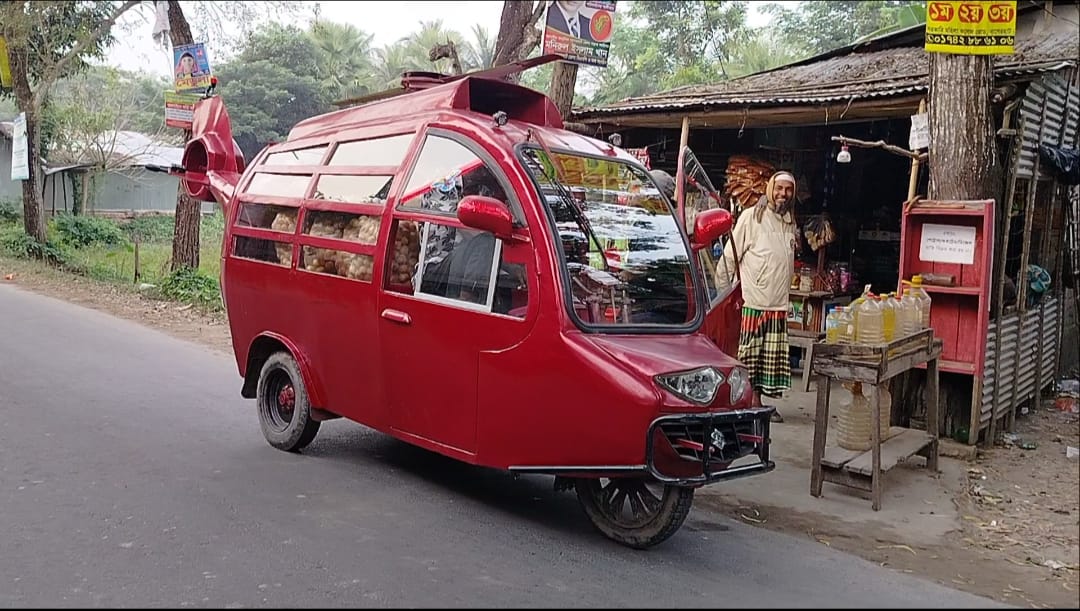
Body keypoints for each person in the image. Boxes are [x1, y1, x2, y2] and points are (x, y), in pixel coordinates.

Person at [716, 171, 798, 423]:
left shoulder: (789, 222)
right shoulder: (752, 217)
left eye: (788, 190)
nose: (782, 194)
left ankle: (757, 401)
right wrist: (723, 293)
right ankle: (747, 403)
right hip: (754, 301)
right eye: (779, 188)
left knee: (766, 361)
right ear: (770, 189)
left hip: (777, 303)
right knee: (749, 357)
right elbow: (729, 258)